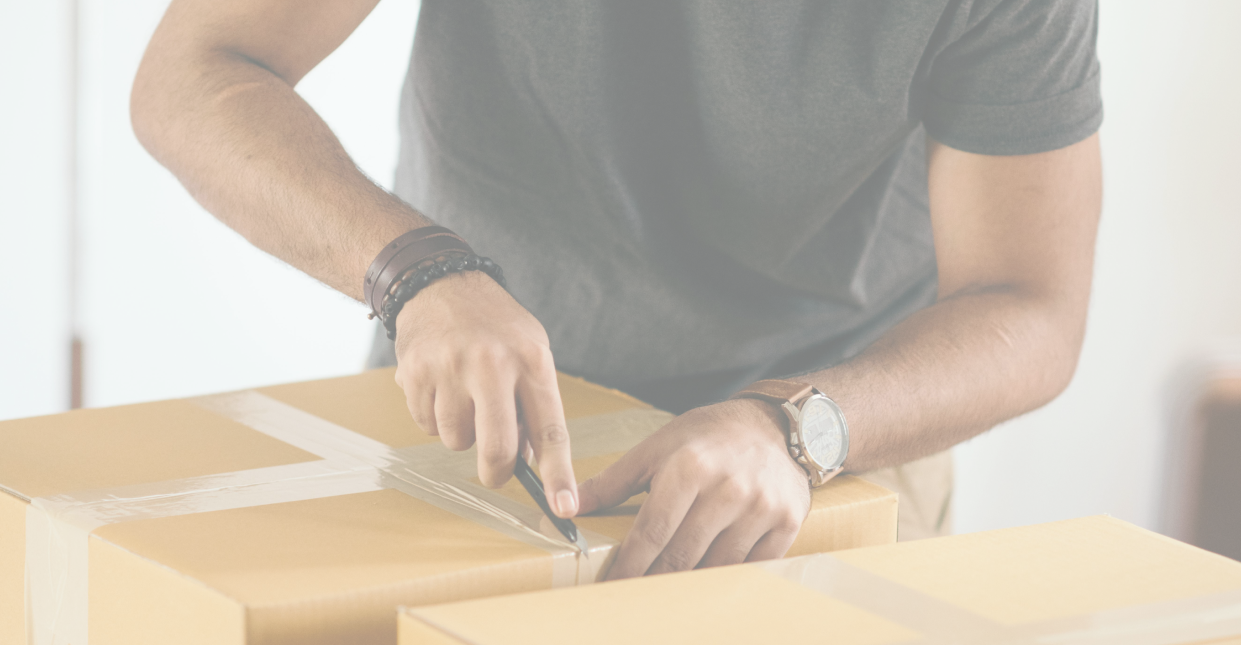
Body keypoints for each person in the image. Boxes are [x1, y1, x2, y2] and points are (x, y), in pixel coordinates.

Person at [132, 0, 1102, 579]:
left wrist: (794, 429)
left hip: (838, 431)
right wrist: (414, 270)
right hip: (482, 418)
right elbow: (193, 73)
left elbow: (1028, 304)